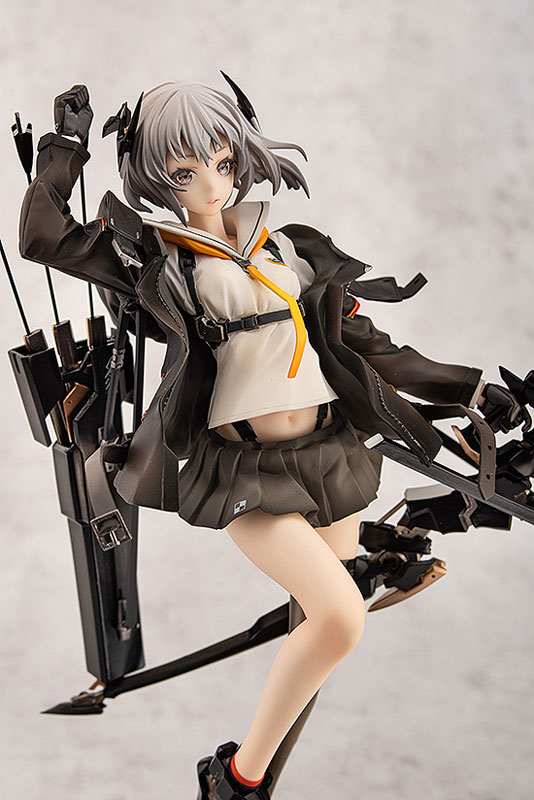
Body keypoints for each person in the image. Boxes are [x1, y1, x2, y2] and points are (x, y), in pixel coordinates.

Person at [18, 80, 520, 799]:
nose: (210, 184)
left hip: (329, 454)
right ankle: (234, 779)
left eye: (222, 162)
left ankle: (370, 563)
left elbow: (370, 345)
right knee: (340, 621)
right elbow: (43, 237)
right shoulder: (158, 261)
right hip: (246, 475)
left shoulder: (289, 248)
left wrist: (467, 390)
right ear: (153, 176)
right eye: (183, 172)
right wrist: (66, 147)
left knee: (318, 629)